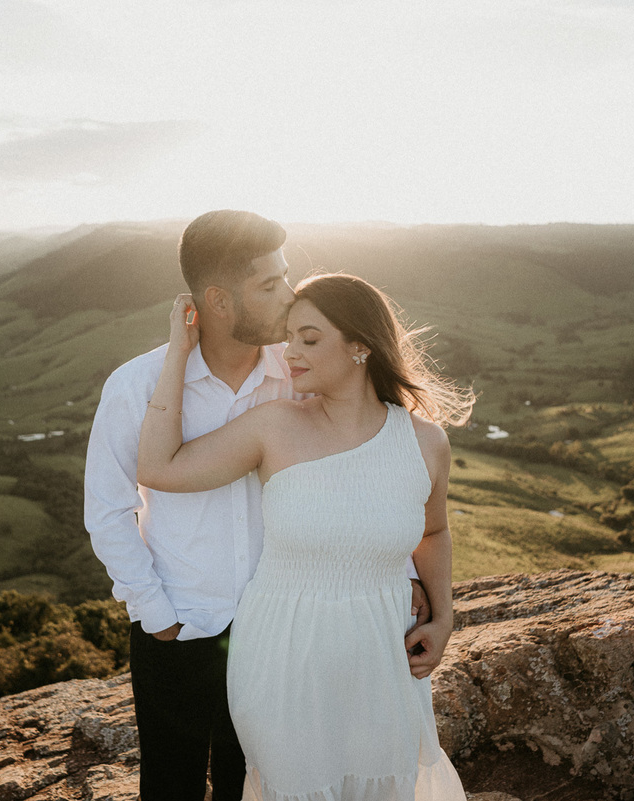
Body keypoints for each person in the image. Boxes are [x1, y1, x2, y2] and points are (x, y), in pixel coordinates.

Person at [84, 211, 431, 800]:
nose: (290, 296)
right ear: (219, 301)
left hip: (286, 631)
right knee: (171, 786)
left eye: (285, 276)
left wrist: (402, 576)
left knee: (258, 784)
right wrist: (155, 613)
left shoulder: (301, 374)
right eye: (269, 285)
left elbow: (359, 477)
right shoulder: (137, 386)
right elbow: (109, 510)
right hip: (182, 623)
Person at [136, 272, 473, 801]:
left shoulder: (425, 442)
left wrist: (445, 615)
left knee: (385, 786)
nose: (289, 353)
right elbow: (159, 467)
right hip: (282, 653)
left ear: (361, 347)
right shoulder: (273, 427)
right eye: (289, 336)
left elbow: (433, 531)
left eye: (309, 339)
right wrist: (179, 352)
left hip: (382, 651)